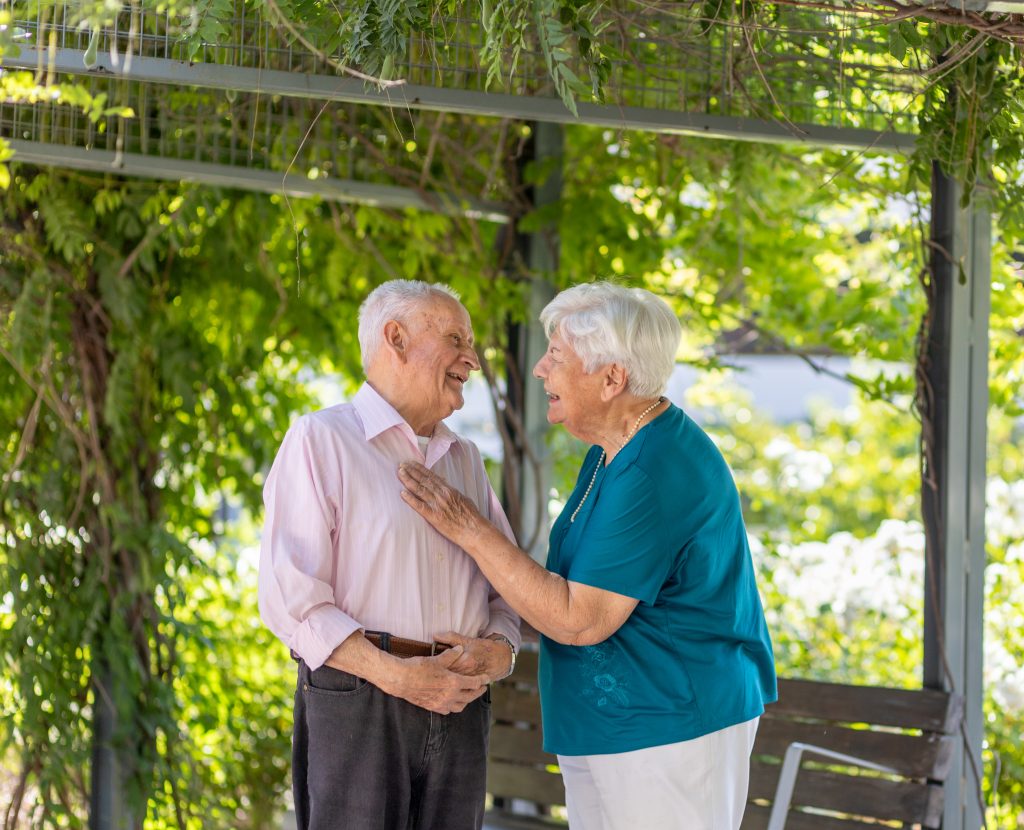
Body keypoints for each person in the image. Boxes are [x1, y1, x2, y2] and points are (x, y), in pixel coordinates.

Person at [398, 281, 777, 830]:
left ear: (612, 378)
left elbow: (580, 619)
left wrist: (470, 529)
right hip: (616, 723)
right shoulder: (610, 451)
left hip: (668, 727)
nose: (540, 370)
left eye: (556, 355)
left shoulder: (652, 469)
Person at [258, 279, 521, 830]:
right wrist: (398, 676)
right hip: (361, 697)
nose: (471, 357)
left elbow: (507, 585)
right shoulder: (320, 439)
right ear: (395, 338)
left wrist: (501, 649)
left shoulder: (466, 459)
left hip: (461, 701)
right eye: (455, 338)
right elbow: (294, 603)